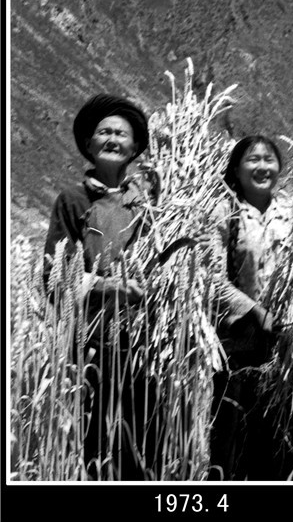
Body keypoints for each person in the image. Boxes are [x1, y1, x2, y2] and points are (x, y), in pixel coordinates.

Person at [44, 93, 157, 480]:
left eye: (121, 134)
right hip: (90, 345)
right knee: (93, 443)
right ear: (88, 144)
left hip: (143, 347)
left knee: (142, 443)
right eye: (103, 132)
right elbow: (53, 274)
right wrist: (108, 286)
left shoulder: (148, 204)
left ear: (135, 147)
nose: (112, 139)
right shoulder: (73, 201)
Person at [208, 135, 293, 480]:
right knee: (236, 437)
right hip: (239, 345)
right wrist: (254, 310)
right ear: (236, 169)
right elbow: (212, 279)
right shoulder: (224, 213)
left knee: (282, 440)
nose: (262, 167)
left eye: (269, 159)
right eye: (253, 159)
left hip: (286, 344)